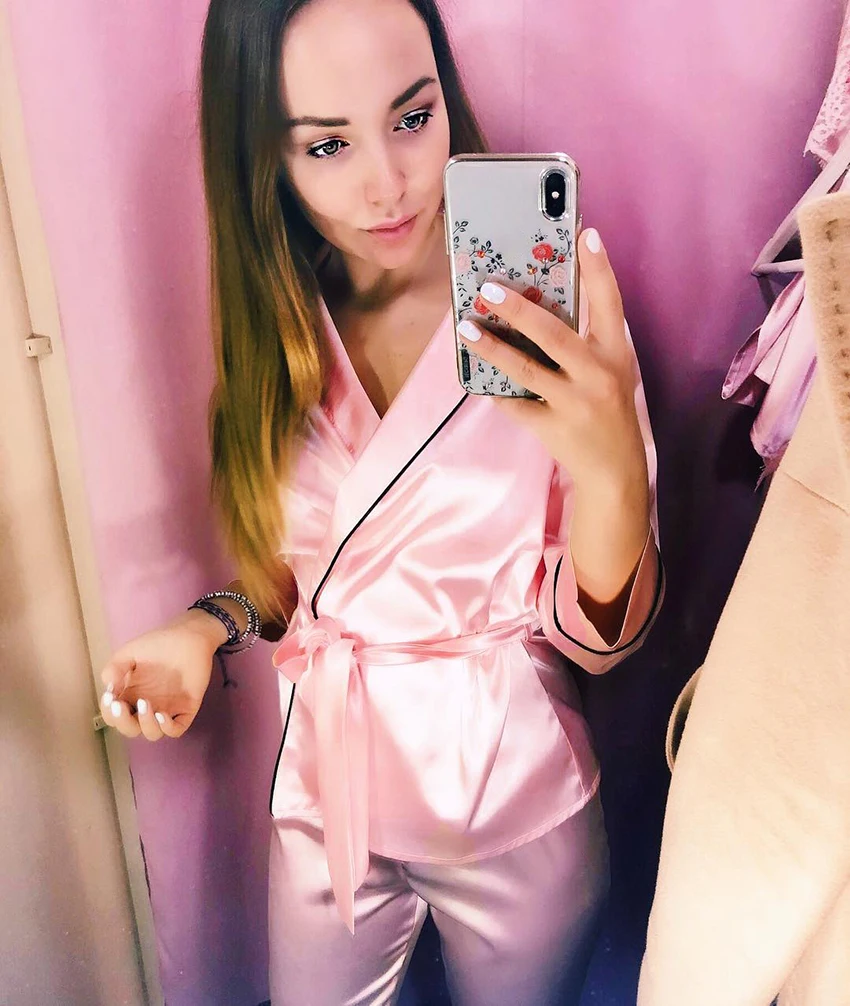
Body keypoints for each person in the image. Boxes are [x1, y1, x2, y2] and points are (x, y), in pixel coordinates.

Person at [100, 0, 663, 1003]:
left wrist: (615, 467)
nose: (388, 182)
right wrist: (203, 626)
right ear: (265, 158)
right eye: (327, 145)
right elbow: (305, 583)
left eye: (412, 116)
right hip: (330, 799)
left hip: (510, 798)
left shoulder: (540, 311)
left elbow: (598, 643)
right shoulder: (281, 322)